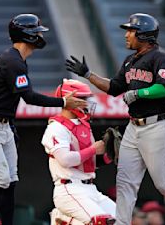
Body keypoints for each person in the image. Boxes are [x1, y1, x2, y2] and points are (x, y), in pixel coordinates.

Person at [65, 13, 165, 225]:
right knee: (125, 181)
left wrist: (139, 93)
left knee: (164, 182)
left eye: (131, 31)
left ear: (144, 35)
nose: (127, 35)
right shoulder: (130, 61)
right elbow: (113, 87)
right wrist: (88, 74)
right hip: (134, 126)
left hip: (159, 124)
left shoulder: (160, 58)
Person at [0, 14, 87, 225]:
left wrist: (10, 126)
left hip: (2, 124)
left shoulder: (16, 59)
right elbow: (28, 97)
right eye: (37, 32)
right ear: (27, 35)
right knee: (0, 179)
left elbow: (9, 100)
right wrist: (64, 102)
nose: (40, 35)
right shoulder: (13, 62)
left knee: (11, 180)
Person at [41, 79, 116, 225]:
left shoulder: (84, 125)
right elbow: (66, 160)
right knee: (102, 222)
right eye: (82, 99)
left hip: (90, 188)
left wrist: (108, 155)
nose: (86, 103)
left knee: (122, 220)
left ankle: (65, 219)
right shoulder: (56, 128)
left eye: (86, 98)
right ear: (69, 100)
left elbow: (88, 162)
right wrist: (94, 148)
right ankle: (65, 218)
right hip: (69, 189)